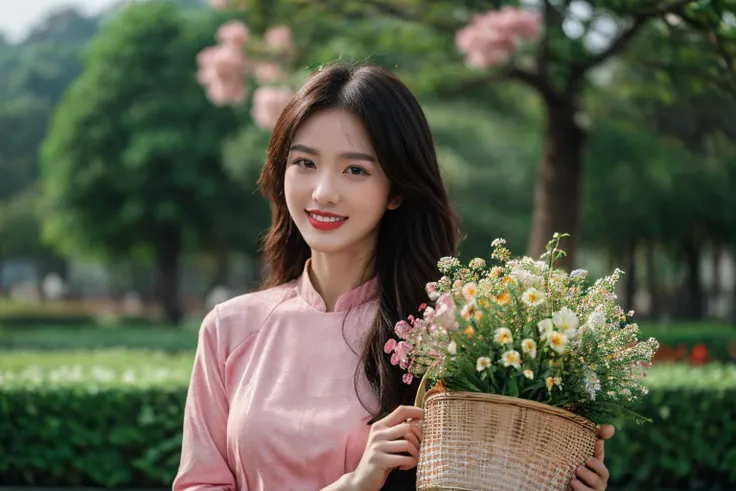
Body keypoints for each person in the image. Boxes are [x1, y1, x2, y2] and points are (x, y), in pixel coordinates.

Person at [173, 62, 615, 491]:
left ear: (397, 191)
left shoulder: (450, 331)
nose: (323, 191)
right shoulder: (230, 329)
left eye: (355, 170)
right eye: (304, 163)